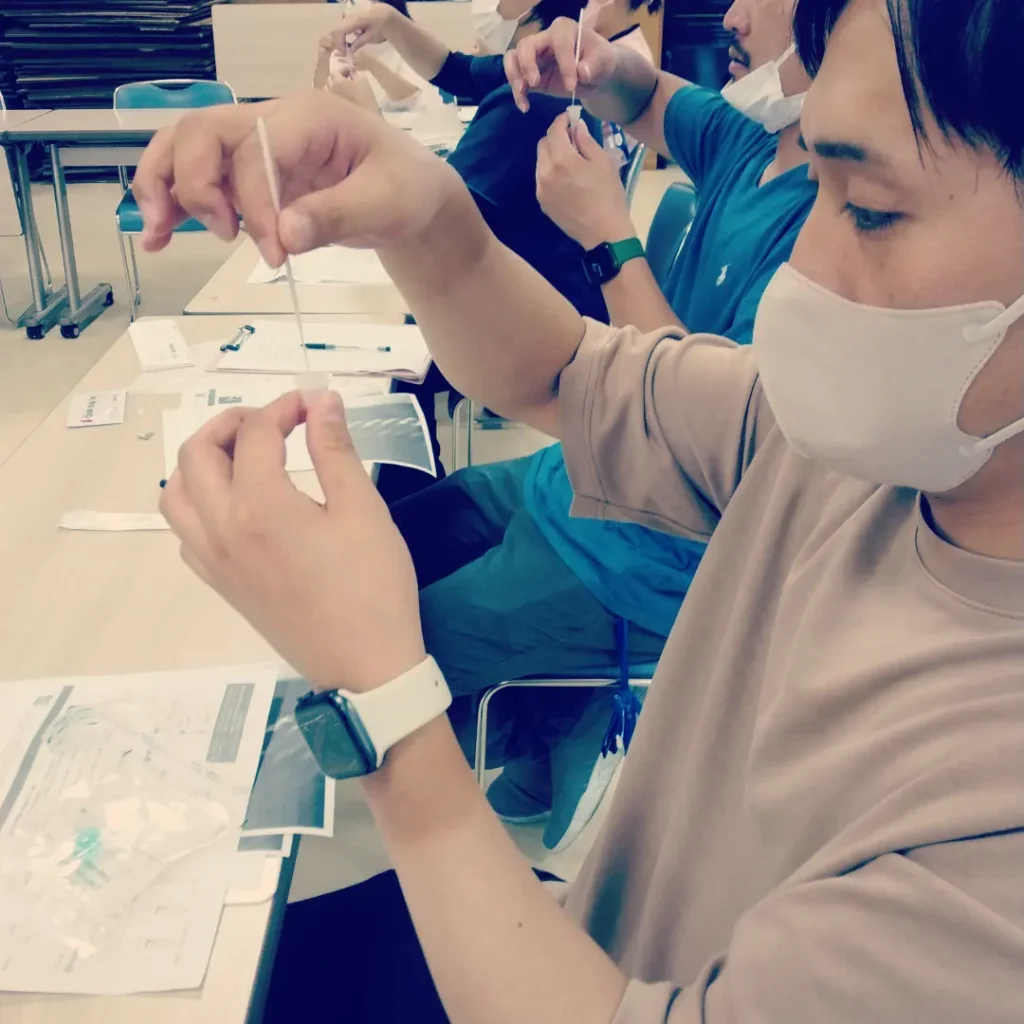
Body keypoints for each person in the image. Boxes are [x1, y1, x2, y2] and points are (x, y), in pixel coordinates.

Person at [135, 0, 1024, 1018]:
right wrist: (422, 214)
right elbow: (563, 373)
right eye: (815, 183)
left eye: (868, 208)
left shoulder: (993, 833)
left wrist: (379, 705)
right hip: (596, 934)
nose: (803, 274)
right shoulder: (855, 447)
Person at [385, 0, 815, 849]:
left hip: (650, 557)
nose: (730, 17)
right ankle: (552, 722)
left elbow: (701, 437)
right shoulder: (748, 140)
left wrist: (611, 240)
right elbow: (645, 93)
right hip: (576, 473)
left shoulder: (833, 233)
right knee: (397, 539)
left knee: (385, 651)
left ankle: (546, 719)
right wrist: (595, 62)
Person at [328, 0, 656, 504]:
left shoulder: (531, 103)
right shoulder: (552, 69)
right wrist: (392, 23)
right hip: (567, 294)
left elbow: (429, 210)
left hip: (537, 317)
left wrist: (368, 126)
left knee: (394, 351)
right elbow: (459, 72)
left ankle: (402, 493)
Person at [314, 0, 442, 112]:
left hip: (401, 126)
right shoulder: (344, 47)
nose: (356, 29)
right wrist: (324, 60)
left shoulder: (406, 46)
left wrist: (373, 66)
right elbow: (321, 98)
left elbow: (412, 98)